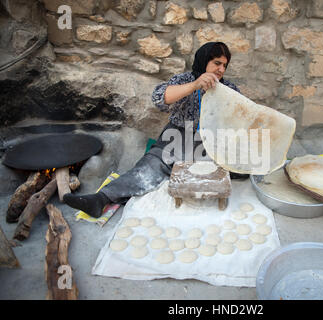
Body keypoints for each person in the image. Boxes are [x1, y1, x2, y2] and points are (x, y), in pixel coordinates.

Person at [64, 42, 247, 218]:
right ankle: (100, 199)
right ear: (204, 60)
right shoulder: (184, 80)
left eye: (224, 65)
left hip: (208, 144)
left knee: (237, 167)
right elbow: (160, 98)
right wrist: (195, 85)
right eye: (217, 63)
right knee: (148, 168)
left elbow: (241, 117)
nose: (221, 70)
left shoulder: (228, 88)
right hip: (177, 138)